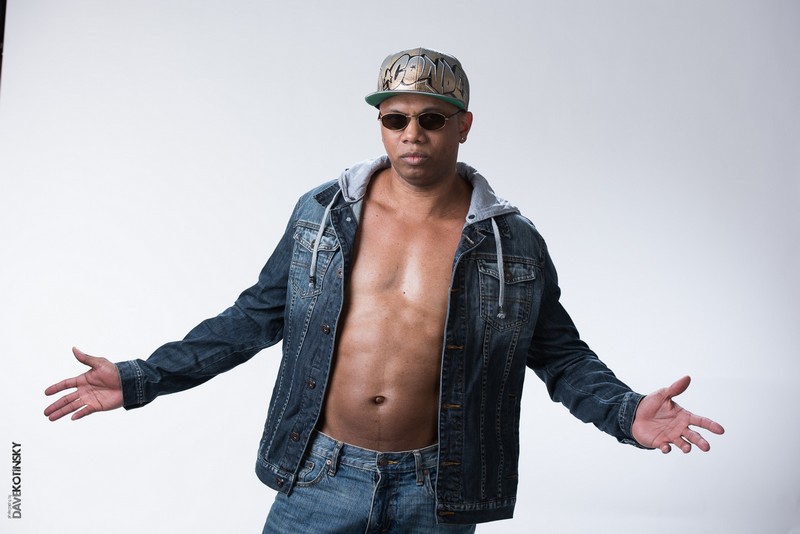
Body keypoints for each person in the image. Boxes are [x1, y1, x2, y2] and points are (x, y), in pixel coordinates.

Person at [44, 48, 725, 533]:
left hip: (437, 488)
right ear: (380, 124)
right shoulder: (323, 215)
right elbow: (254, 317)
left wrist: (625, 414)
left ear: (463, 124)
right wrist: (142, 377)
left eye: (432, 118)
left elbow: (561, 356)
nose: (412, 135)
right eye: (395, 119)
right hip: (318, 473)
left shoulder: (511, 243)